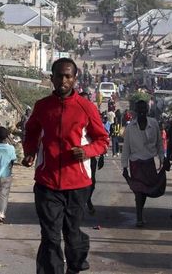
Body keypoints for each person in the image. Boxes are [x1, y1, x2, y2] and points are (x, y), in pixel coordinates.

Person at [23, 58, 109, 274]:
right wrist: (30, 152)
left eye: (68, 76)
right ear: (52, 78)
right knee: (50, 235)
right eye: (59, 75)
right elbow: (31, 132)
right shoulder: (42, 107)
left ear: (75, 79)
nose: (64, 80)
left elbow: (103, 141)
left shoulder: (86, 107)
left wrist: (86, 151)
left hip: (77, 184)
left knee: (72, 234)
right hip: (47, 182)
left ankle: (77, 259)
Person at [121, 99, 165, 227]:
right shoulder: (130, 128)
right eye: (139, 109)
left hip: (149, 163)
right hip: (135, 163)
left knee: (145, 191)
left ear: (147, 110)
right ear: (135, 111)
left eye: (143, 109)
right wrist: (124, 167)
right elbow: (126, 148)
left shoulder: (154, 124)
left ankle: (140, 213)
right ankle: (139, 217)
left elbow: (159, 144)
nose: (141, 111)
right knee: (139, 191)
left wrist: (162, 158)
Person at [0, 126, 17, 224]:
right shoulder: (11, 148)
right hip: (6, 174)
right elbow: (13, 160)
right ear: (7, 137)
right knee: (3, 196)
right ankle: (0, 215)